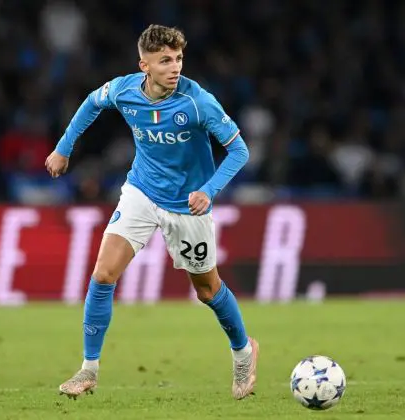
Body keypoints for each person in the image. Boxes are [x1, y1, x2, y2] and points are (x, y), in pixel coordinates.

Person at [45, 24, 258, 400]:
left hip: (187, 207)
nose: (174, 67)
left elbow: (239, 151)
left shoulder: (198, 102)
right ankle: (88, 370)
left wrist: (209, 190)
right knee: (103, 274)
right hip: (141, 192)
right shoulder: (124, 90)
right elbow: (92, 103)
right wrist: (64, 148)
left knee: (208, 291)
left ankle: (243, 352)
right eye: (164, 61)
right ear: (144, 65)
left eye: (178, 59)